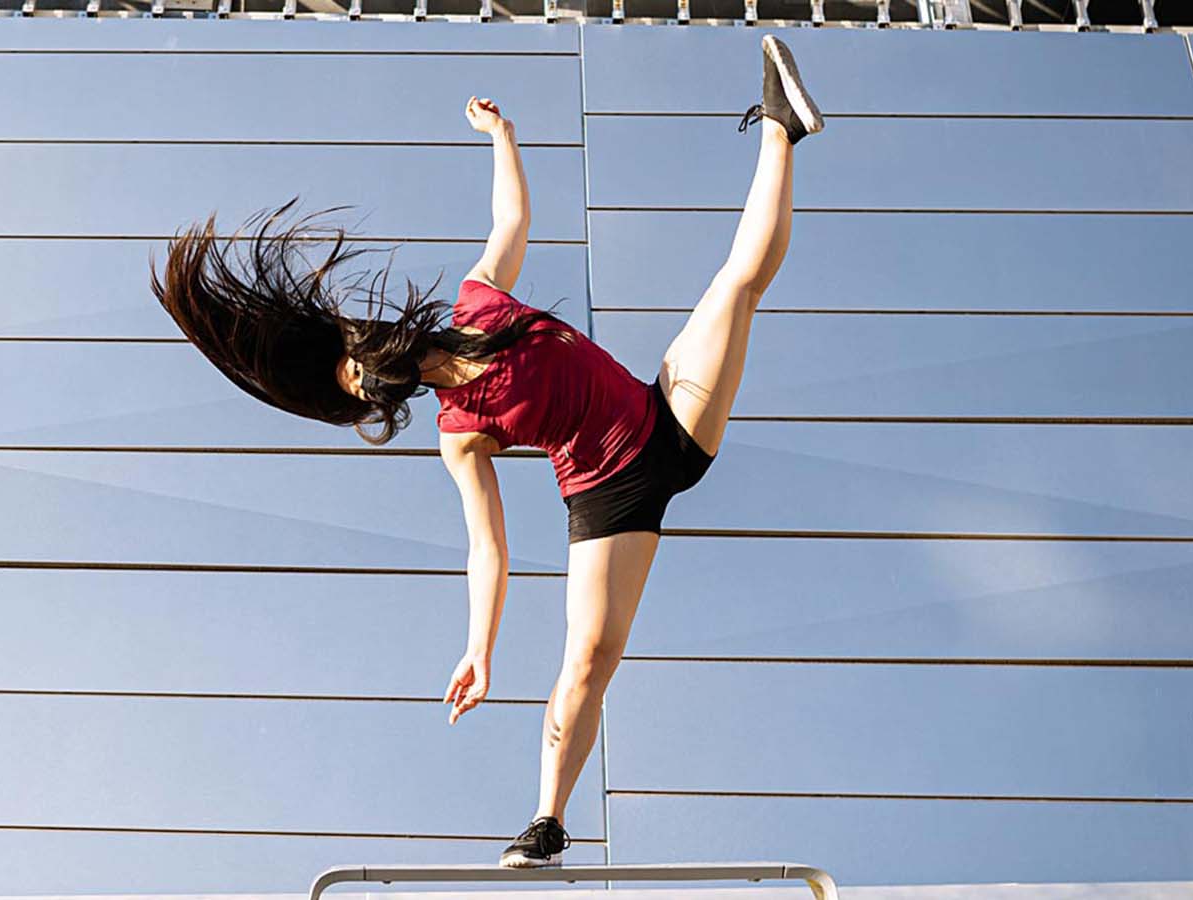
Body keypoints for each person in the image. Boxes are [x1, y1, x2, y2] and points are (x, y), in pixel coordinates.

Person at [149, 34, 823, 869]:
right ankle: (547, 821)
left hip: (665, 414)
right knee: (586, 660)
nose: (364, 383)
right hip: (610, 497)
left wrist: (500, 137)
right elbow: (487, 551)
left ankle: (781, 127)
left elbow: (512, 220)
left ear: (369, 339)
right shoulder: (459, 432)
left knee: (735, 285)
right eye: (359, 390)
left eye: (355, 368)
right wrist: (480, 648)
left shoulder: (480, 299)